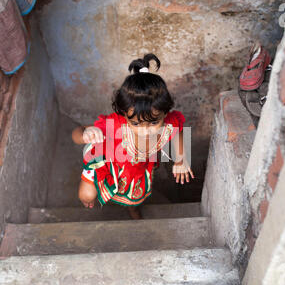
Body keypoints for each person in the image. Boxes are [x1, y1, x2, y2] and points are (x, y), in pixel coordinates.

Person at [71, 53, 194, 219]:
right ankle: (90, 188)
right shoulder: (114, 125)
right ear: (124, 115)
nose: (145, 131)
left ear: (165, 113)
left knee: (134, 200)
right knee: (86, 196)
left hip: (135, 170)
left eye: (152, 123)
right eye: (136, 124)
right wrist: (86, 134)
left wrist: (181, 159)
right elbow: (76, 133)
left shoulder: (169, 123)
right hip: (106, 161)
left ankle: (133, 210)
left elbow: (178, 130)